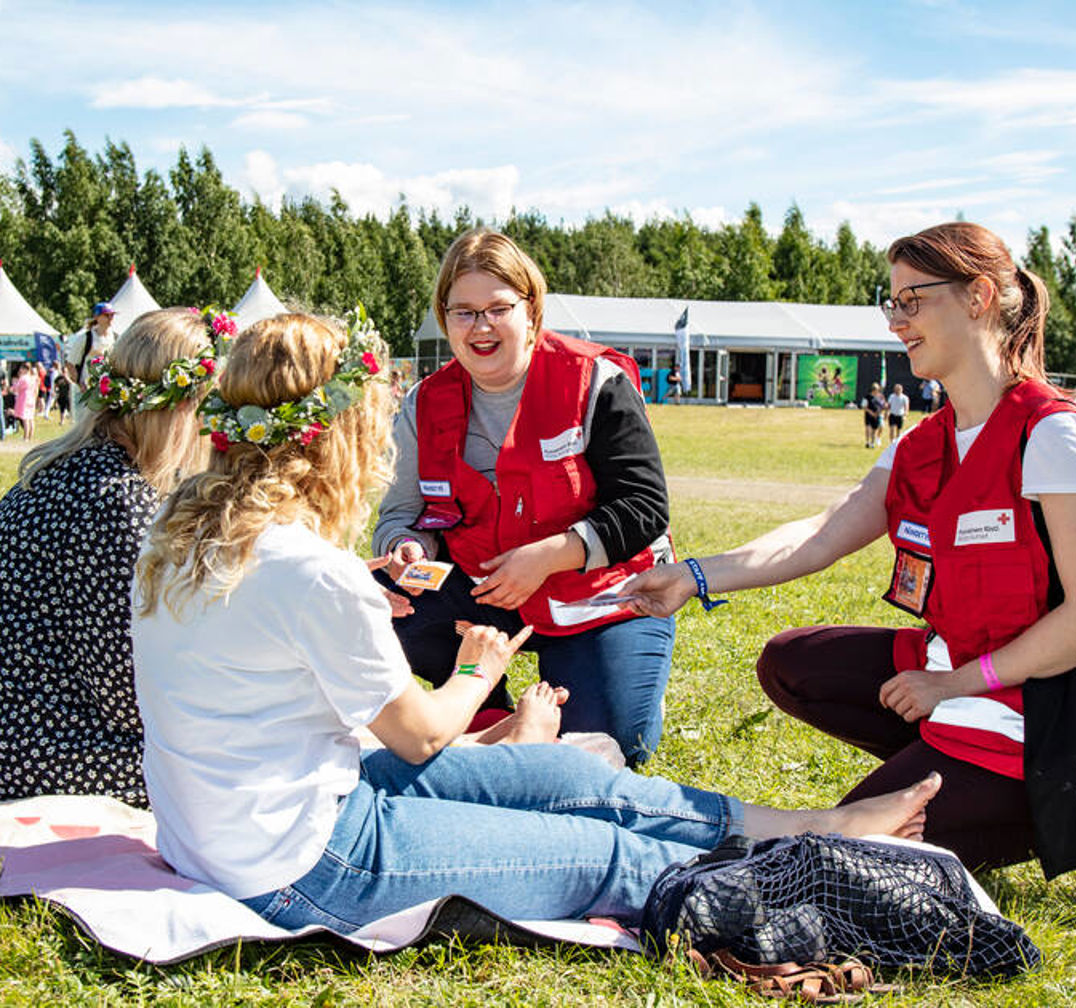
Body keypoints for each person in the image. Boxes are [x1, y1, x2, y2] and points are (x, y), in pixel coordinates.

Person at [128, 311, 939, 934]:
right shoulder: (308, 569)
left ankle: (814, 826)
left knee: (562, 779)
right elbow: (417, 735)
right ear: (336, 437)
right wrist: (479, 672)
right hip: (309, 862)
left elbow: (261, 646)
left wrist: (360, 601)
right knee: (611, 855)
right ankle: (819, 869)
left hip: (237, 830)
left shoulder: (181, 538)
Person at [625, 222, 1076, 895]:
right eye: (893, 305)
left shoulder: (1050, 433)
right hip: (964, 682)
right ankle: (959, 779)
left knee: (827, 852)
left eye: (913, 301)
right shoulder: (924, 444)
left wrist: (955, 685)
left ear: (979, 297)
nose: (896, 322)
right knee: (794, 664)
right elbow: (822, 535)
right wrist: (697, 574)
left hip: (1050, 716)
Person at [372, 229, 677, 766]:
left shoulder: (595, 380)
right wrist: (406, 546)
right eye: (463, 312)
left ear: (531, 310)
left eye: (497, 308)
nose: (481, 327)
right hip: (483, 587)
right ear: (444, 318)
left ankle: (569, 699)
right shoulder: (423, 402)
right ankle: (482, 710)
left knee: (607, 746)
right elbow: (403, 514)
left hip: (595, 597)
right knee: (378, 599)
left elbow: (645, 507)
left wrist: (551, 555)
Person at [0, 309, 221, 805]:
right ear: (183, 411)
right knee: (246, 761)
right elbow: (126, 699)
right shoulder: (117, 500)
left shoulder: (67, 469)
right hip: (33, 761)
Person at [64, 303, 117, 388]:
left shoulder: (115, 338)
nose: (110, 318)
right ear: (97, 317)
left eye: (112, 315)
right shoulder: (86, 338)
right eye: (106, 315)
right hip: (88, 389)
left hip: (109, 388)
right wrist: (80, 384)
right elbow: (70, 364)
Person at [10, 361, 38, 442]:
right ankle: (30, 436)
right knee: (31, 418)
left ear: (24, 369)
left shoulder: (23, 378)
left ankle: (25, 437)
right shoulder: (33, 378)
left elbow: (17, 388)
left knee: (25, 419)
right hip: (32, 398)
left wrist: (12, 388)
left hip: (24, 398)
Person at [862, 383, 885, 448]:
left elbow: (882, 405)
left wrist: (878, 412)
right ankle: (867, 442)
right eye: (875, 389)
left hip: (876, 416)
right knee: (868, 428)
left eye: (877, 389)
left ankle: (872, 443)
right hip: (869, 415)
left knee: (874, 430)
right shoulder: (867, 397)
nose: (876, 391)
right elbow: (864, 407)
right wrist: (871, 412)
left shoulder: (880, 397)